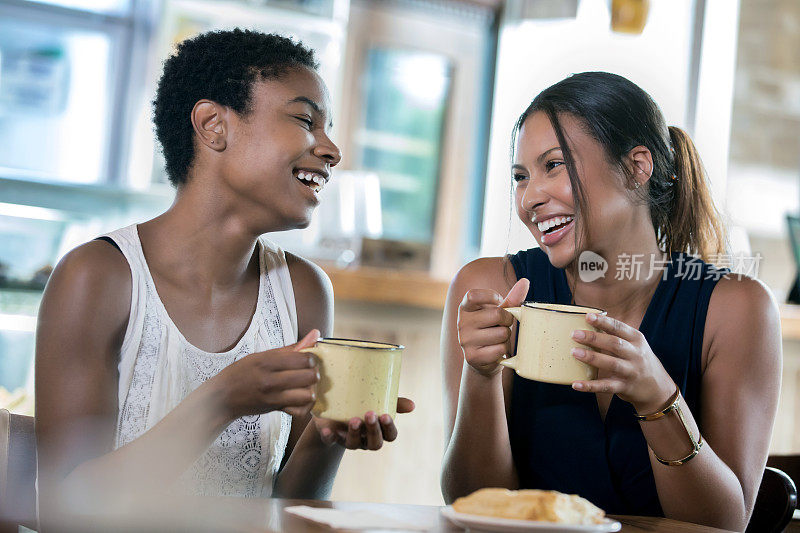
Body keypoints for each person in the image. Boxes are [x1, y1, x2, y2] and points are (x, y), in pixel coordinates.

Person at [35, 29, 413, 526]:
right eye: (306, 120)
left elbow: (288, 513)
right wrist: (221, 400)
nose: (332, 150)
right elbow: (65, 516)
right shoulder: (98, 277)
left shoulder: (303, 290)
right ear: (214, 125)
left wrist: (326, 435)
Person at [440, 71, 780, 530]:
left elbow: (723, 524)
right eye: (521, 176)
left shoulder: (736, 308)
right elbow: (470, 501)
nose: (530, 198)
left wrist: (657, 396)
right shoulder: (489, 288)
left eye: (554, 165)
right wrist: (480, 375)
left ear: (638, 166)